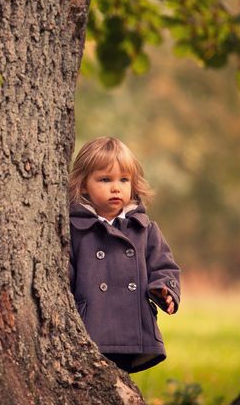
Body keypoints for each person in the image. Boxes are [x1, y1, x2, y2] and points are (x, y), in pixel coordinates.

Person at [68, 136, 180, 373]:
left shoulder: (144, 228)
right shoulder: (75, 228)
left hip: (131, 327)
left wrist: (165, 290)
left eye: (124, 180)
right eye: (105, 179)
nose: (116, 187)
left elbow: (164, 266)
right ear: (83, 184)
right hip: (90, 324)